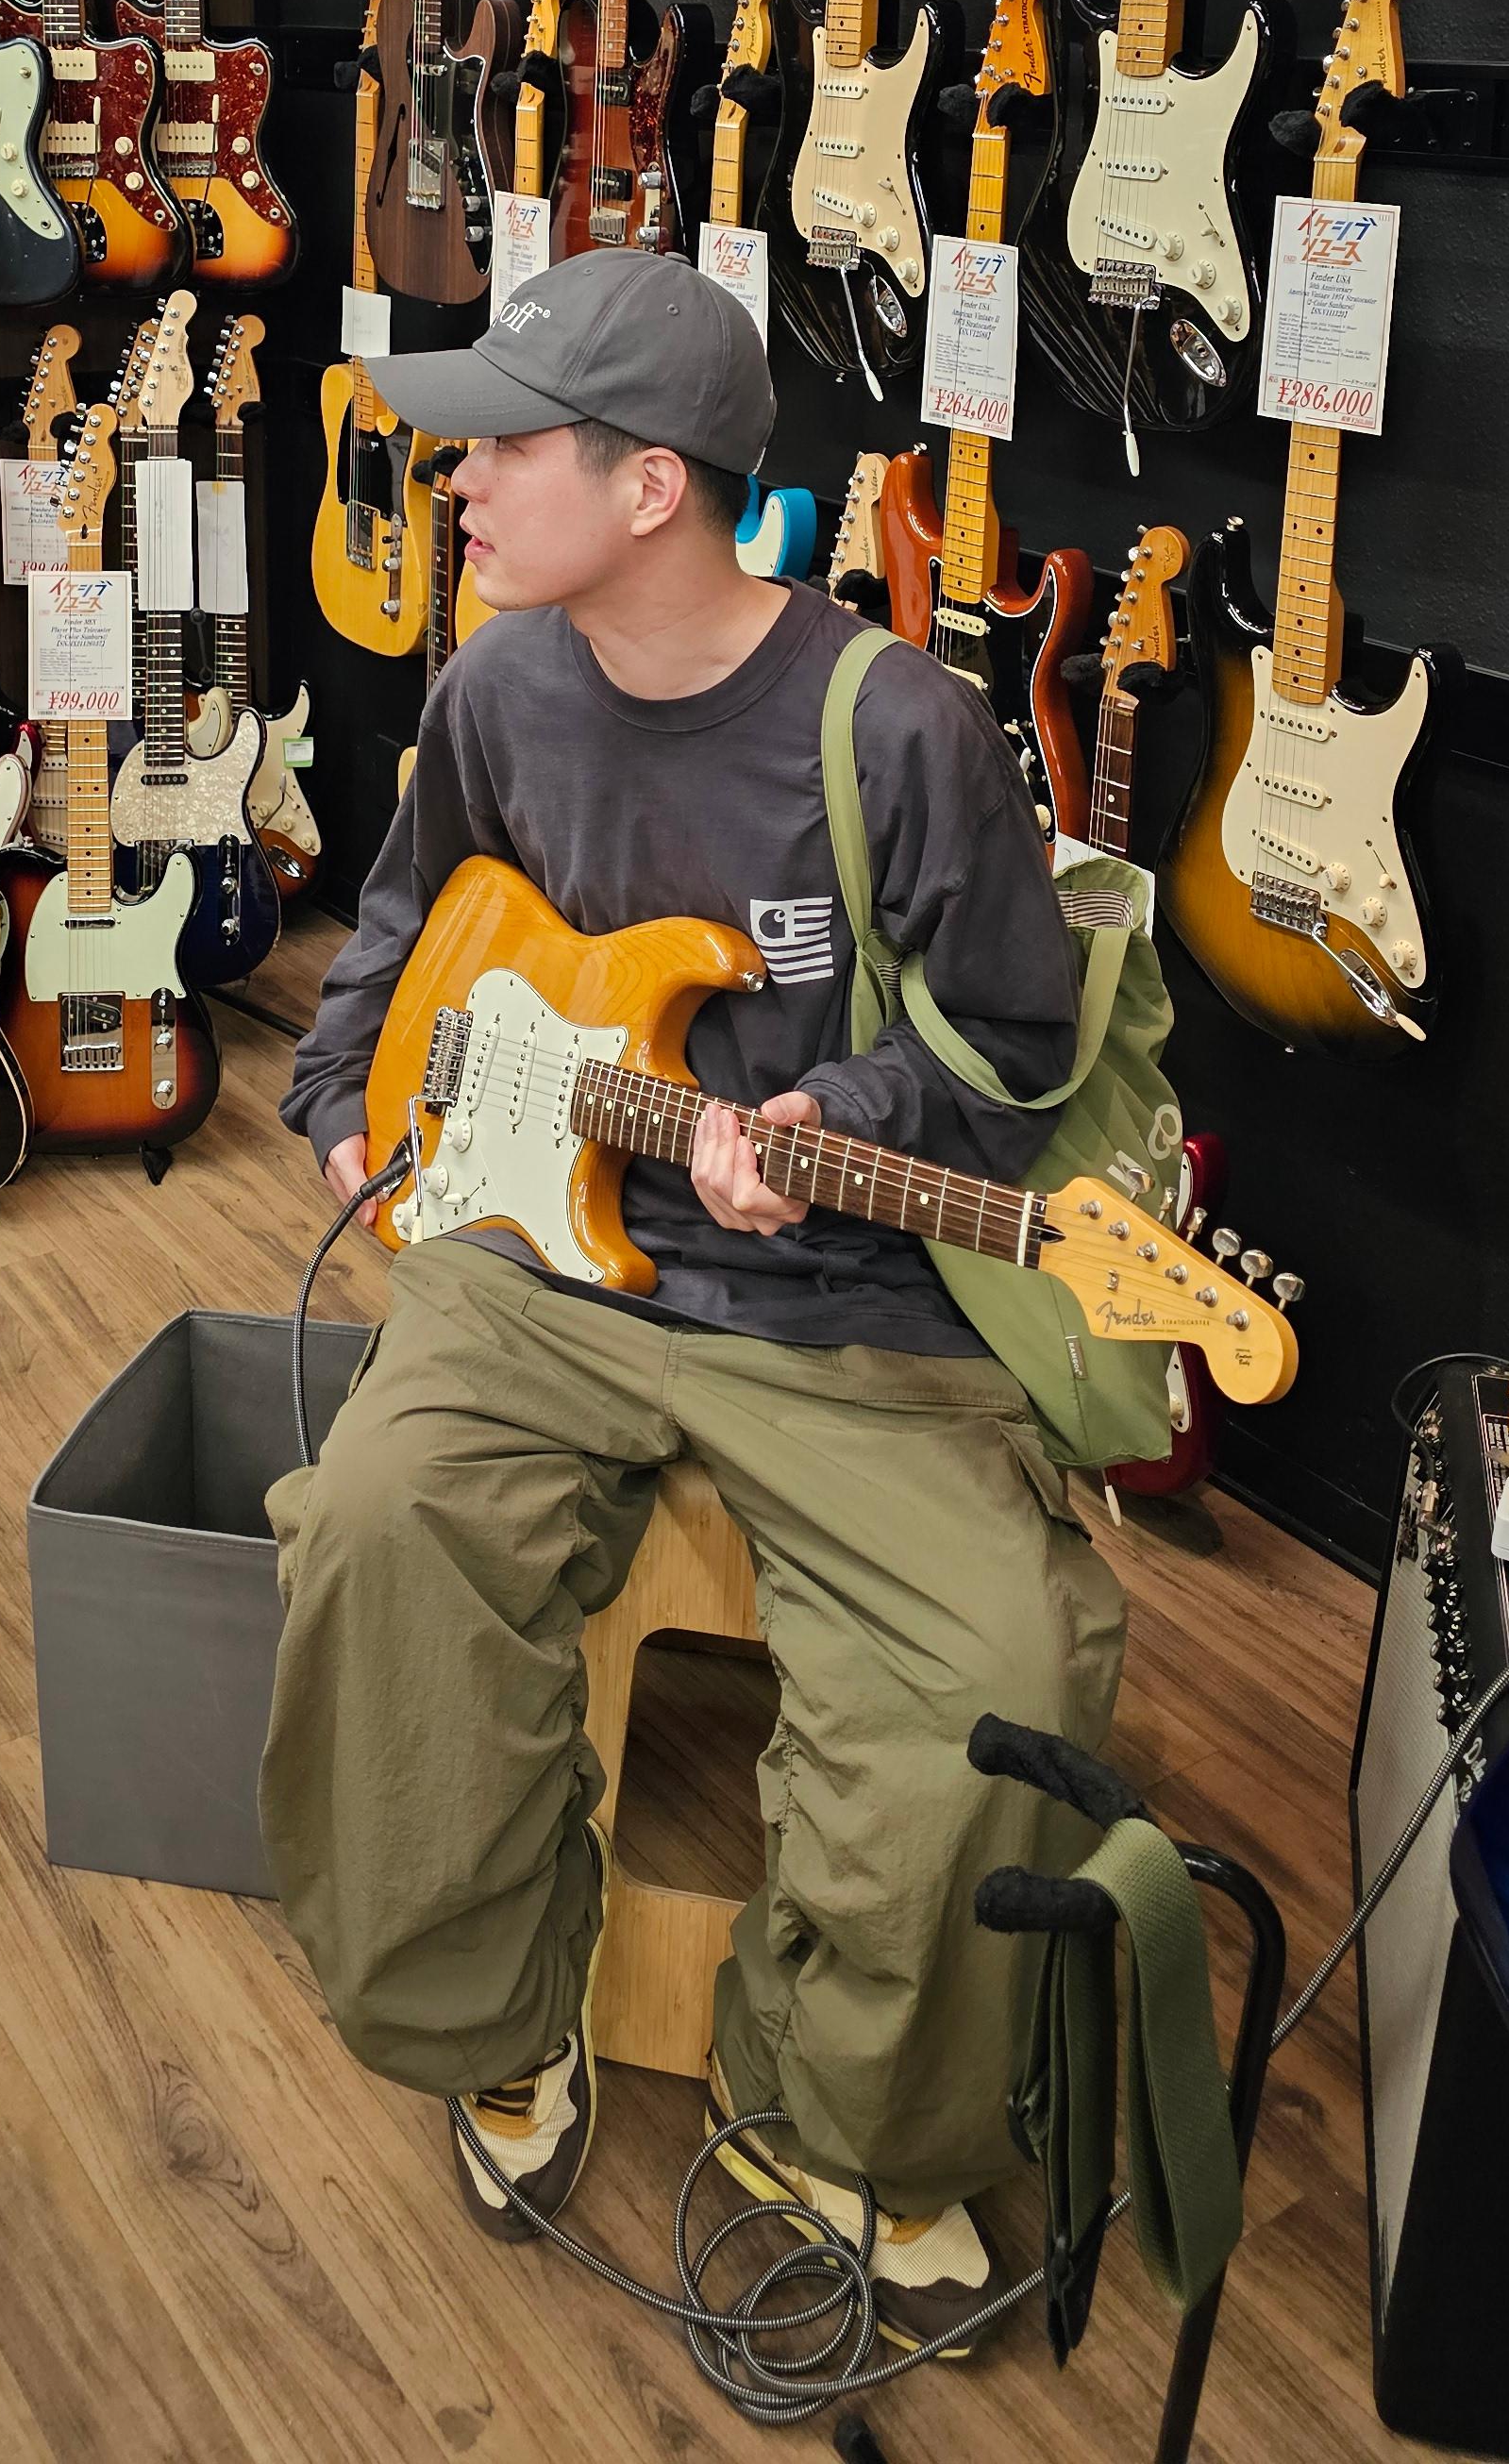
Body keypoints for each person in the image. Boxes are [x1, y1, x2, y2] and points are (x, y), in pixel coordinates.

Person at [262, 246, 1125, 2351]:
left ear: (651, 485)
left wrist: (842, 1107)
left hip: (835, 1297)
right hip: (534, 1263)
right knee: (377, 1525)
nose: (457, 477)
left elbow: (1021, 1040)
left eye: (505, 445)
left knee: (999, 1661)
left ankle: (843, 2115)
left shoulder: (894, 723)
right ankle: (489, 2014)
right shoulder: (494, 686)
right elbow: (405, 920)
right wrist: (338, 1098)